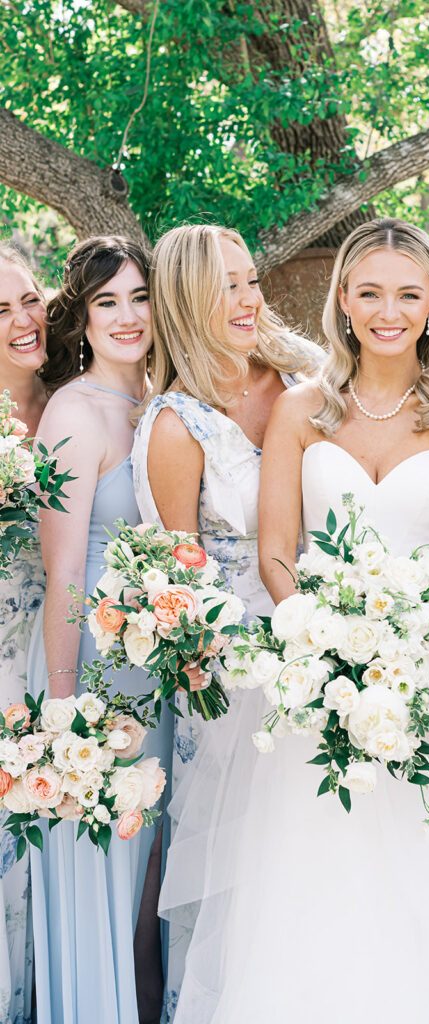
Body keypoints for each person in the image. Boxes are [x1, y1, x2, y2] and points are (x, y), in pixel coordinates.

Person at [171, 218, 429, 1023]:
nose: (389, 312)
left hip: (428, 686)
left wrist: (414, 648)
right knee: (311, 900)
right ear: (343, 300)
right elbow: (277, 551)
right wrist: (323, 649)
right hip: (316, 696)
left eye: (409, 294)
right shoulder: (301, 406)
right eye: (371, 292)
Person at [131, 223, 323, 1017]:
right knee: (236, 863)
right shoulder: (176, 427)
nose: (249, 300)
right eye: (227, 288)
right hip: (236, 675)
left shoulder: (307, 372)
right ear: (185, 299)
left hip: (335, 635)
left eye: (250, 280)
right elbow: (179, 583)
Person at [26, 236, 172, 1024]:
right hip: (99, 679)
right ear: (80, 319)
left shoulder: (165, 398)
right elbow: (65, 573)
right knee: (111, 863)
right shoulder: (74, 411)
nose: (126, 316)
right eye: (106, 301)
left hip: (169, 676)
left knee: (156, 874)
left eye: (140, 296)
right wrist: (64, 714)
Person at [0, 245, 48, 1024]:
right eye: (0, 311)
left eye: (29, 300)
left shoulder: (77, 394)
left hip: (78, 645)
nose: (21, 322)